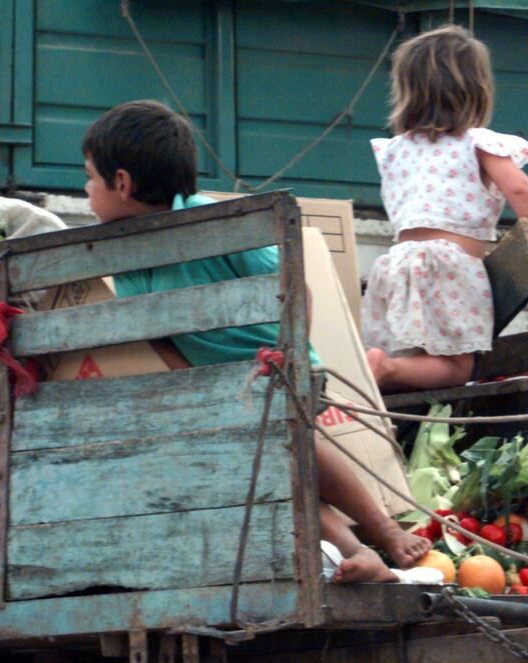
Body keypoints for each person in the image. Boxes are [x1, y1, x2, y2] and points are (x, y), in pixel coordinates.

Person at [81, 100, 429, 583]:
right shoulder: (126, 253)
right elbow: (156, 333)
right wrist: (197, 388)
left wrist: (289, 354)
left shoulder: (217, 225)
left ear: (122, 183)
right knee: (273, 468)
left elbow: (295, 285)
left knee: (286, 438)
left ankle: (383, 531)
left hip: (281, 369)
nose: (86, 191)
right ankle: (357, 553)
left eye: (90, 179)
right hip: (223, 389)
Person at [362, 25, 528, 393]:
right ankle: (387, 368)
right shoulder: (478, 144)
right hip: (448, 267)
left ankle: (385, 368)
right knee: (457, 368)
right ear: (477, 90)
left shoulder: (394, 150)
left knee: (418, 354)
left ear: (407, 90)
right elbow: (519, 188)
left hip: (395, 265)